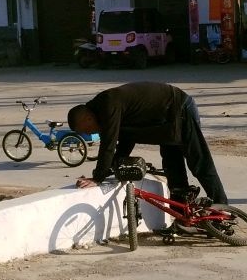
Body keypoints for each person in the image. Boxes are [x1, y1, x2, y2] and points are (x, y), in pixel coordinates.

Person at [68, 82, 227, 205]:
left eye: (86, 130)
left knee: (199, 162)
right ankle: (180, 211)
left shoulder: (107, 105)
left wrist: (98, 178)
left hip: (179, 109)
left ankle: (223, 208)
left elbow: (108, 145)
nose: (88, 134)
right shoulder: (102, 112)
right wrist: (111, 169)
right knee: (172, 166)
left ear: (87, 118)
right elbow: (126, 139)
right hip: (164, 121)